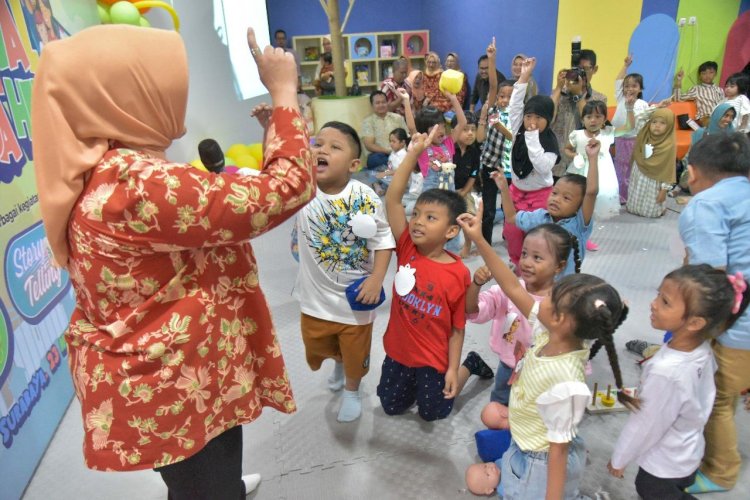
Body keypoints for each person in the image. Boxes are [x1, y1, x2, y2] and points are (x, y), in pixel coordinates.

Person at [31, 25, 313, 498]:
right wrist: (285, 91)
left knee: (203, 479)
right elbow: (285, 190)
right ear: (129, 94)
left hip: (172, 375)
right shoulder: (137, 184)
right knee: (204, 485)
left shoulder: (105, 172)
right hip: (176, 382)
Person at [459, 203, 632, 499]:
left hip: (540, 461)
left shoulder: (566, 381)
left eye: (554, 298)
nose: (539, 299)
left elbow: (558, 454)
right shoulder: (547, 331)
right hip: (527, 439)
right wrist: (479, 239)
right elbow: (512, 286)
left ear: (562, 321)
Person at [377, 126, 493, 422]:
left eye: (430, 218)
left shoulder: (457, 273)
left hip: (434, 360)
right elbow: (392, 200)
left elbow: (459, 325)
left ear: (451, 231)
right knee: (391, 406)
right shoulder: (406, 248)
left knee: (434, 413)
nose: (417, 222)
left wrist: (453, 369)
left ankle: (471, 364)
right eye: (416, 214)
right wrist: (413, 153)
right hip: (398, 353)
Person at [286, 121, 394, 423]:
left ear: (353, 164)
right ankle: (337, 360)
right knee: (316, 346)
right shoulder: (303, 190)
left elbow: (383, 239)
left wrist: (376, 279)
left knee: (356, 354)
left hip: (356, 297)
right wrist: (272, 127)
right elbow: (278, 169)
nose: (322, 150)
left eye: (335, 147)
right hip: (314, 296)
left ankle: (351, 390)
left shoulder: (364, 196)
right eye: (318, 144)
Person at [608, 265, 746, 500]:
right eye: (658, 295)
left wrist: (619, 458)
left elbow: (646, 423)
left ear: (694, 323)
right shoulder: (702, 348)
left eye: (665, 302)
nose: (653, 303)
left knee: (651, 491)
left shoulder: (666, 371)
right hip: (690, 452)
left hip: (664, 463)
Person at [679, 133, 750, 494]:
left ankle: (721, 471)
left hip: (740, 326)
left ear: (692, 172)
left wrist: (687, 332)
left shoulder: (706, 205)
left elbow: (710, 282)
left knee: (718, 396)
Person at [467, 224, 577, 405]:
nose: (526, 262)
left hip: (542, 375)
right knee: (498, 404)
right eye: (524, 254)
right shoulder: (505, 292)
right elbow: (472, 311)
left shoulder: (561, 303)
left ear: (559, 266)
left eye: (537, 257)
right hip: (509, 365)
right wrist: (476, 283)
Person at [496, 138, 599, 277]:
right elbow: (511, 217)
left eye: (566, 198)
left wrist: (593, 158)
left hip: (565, 287)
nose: (556, 199)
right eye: (555, 193)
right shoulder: (540, 216)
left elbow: (591, 193)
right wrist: (504, 189)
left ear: (579, 207)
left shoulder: (579, 224)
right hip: (539, 284)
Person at [501, 59, 560, 270]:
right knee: (512, 231)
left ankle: (538, 266)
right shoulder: (518, 128)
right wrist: (523, 77)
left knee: (537, 235)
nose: (531, 121)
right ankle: (517, 263)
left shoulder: (550, 142)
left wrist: (533, 137)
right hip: (516, 191)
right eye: (528, 117)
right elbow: (515, 105)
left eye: (538, 118)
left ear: (548, 120)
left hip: (540, 194)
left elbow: (542, 166)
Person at [476, 38, 525, 245]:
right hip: (490, 166)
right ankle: (486, 241)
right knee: (488, 209)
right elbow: (494, 83)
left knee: (508, 208)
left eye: (509, 97)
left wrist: (501, 128)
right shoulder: (494, 110)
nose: (504, 100)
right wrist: (492, 58)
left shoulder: (518, 116)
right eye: (502, 96)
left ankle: (509, 236)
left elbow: (515, 138)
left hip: (509, 171)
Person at [565, 100, 620, 224]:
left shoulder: (608, 133)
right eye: (589, 117)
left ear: (605, 119)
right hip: (581, 168)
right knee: (580, 192)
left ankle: (594, 217)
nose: (593, 120)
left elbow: (629, 128)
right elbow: (566, 149)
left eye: (598, 116)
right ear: (583, 119)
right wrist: (574, 155)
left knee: (601, 192)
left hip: (603, 170)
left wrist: (629, 108)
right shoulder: (577, 135)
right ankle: (579, 215)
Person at [612, 56, 654, 203]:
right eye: (627, 86)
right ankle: (619, 193)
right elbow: (618, 80)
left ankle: (628, 195)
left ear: (640, 88)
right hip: (619, 138)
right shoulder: (621, 98)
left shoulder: (642, 104)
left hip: (633, 139)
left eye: (634, 86)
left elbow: (644, 123)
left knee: (630, 167)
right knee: (620, 165)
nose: (630, 89)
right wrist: (625, 65)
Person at [626, 108, 676, 218]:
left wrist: (664, 190)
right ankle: (634, 208)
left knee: (652, 206)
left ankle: (654, 211)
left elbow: (669, 169)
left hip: (654, 180)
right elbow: (639, 117)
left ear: (670, 126)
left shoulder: (668, 145)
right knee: (635, 194)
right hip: (638, 173)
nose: (657, 126)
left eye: (662, 123)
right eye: (654, 122)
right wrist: (656, 107)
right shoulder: (644, 134)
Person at [551, 67, 590, 178]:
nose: (572, 81)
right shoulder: (559, 94)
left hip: (579, 160)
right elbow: (549, 117)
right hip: (557, 160)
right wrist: (559, 87)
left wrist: (579, 94)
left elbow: (588, 123)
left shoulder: (597, 97)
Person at [361, 90, 407, 171]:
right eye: (377, 103)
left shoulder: (398, 118)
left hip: (399, 152)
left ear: (387, 103)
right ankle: (394, 168)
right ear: (372, 105)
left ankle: (394, 167)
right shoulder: (368, 122)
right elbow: (369, 145)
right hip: (380, 155)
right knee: (375, 159)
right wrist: (388, 151)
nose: (381, 105)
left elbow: (406, 138)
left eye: (383, 102)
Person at [673, 61, 725, 127]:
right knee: (711, 122)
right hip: (705, 118)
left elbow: (723, 106)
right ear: (700, 76)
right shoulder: (696, 89)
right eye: (704, 73)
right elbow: (678, 98)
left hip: (719, 117)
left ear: (715, 74)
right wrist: (678, 81)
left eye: (711, 73)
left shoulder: (720, 90)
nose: (707, 76)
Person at [373, 127, 410, 195]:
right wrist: (386, 171)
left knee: (385, 179)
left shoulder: (404, 155)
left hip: (401, 179)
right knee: (374, 173)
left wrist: (386, 174)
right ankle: (380, 187)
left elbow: (401, 171)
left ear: (402, 142)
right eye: (390, 141)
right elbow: (389, 166)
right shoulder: (392, 153)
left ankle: (381, 188)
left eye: (394, 141)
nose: (391, 144)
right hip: (392, 175)